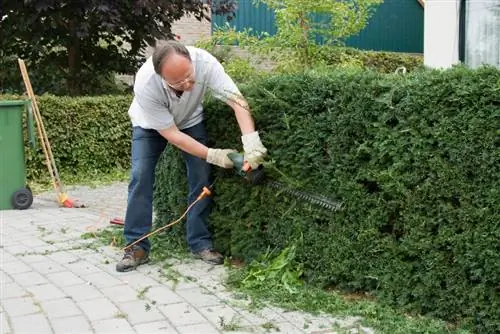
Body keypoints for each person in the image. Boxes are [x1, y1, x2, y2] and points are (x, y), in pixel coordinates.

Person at [116, 40, 268, 272]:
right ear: (161, 77)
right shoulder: (146, 83)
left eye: (189, 75)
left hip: (190, 120)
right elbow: (173, 136)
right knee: (140, 176)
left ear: (190, 61)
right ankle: (136, 247)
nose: (187, 84)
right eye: (177, 82)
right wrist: (215, 155)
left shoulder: (205, 63)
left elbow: (237, 102)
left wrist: (252, 143)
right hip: (150, 126)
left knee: (201, 177)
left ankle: (200, 243)